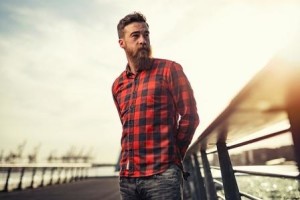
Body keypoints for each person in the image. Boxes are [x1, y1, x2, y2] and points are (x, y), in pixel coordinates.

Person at [112, 12, 199, 200]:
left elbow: (190, 117)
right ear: (122, 43)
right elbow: (127, 126)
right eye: (135, 36)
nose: (143, 40)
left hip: (162, 176)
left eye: (146, 35)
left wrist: (173, 157)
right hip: (127, 180)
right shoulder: (117, 85)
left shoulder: (170, 70)